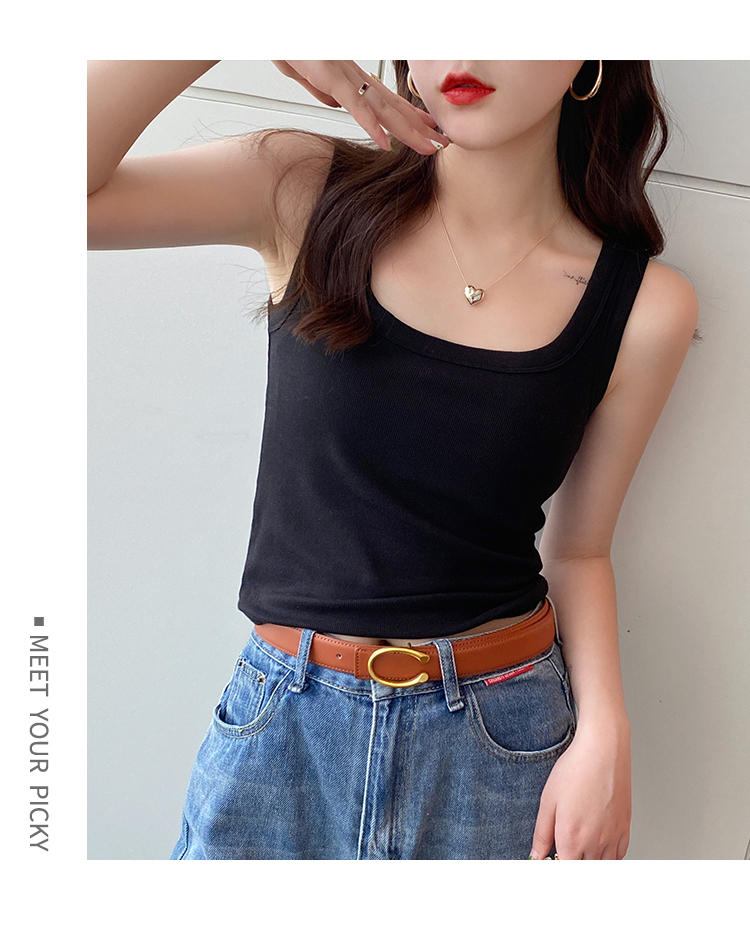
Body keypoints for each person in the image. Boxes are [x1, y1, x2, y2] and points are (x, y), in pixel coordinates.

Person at [87, 60, 700, 860]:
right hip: (283, 735)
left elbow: (580, 549)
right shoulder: (302, 189)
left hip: (499, 745)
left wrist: (606, 732)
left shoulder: (644, 306)